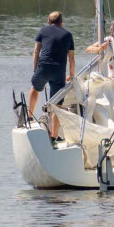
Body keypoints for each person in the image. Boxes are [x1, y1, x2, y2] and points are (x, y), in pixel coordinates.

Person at [28, 11, 76, 139]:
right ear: (61, 22)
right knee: (57, 105)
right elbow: (71, 58)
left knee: (35, 88)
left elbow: (36, 51)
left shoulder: (43, 30)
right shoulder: (68, 34)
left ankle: (29, 116)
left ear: (48, 22)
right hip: (59, 72)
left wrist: (35, 69)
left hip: (43, 68)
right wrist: (72, 76)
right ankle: (54, 136)